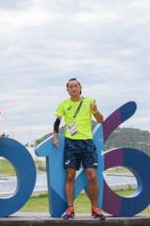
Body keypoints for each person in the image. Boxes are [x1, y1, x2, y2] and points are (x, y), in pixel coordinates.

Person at [53, 78, 105, 220]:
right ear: (67, 90)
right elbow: (57, 121)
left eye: (76, 86)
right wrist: (55, 136)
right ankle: (70, 209)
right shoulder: (64, 104)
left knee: (91, 175)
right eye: (71, 87)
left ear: (80, 88)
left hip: (87, 143)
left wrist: (96, 110)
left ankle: (95, 208)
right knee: (70, 176)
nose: (74, 88)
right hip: (71, 143)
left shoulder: (89, 102)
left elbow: (101, 120)